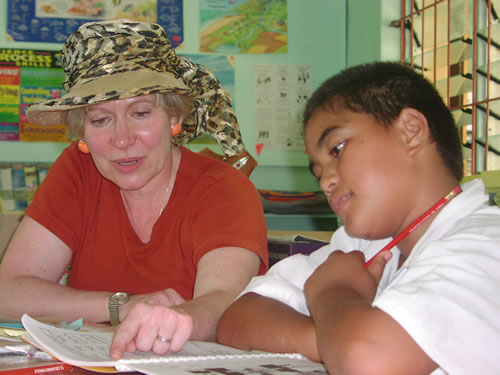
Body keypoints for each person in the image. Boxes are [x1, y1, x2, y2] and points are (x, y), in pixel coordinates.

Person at [0, 19, 268, 358]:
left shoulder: (223, 189)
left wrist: (169, 320)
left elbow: (222, 304)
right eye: (100, 120)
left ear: (174, 118)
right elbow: (7, 292)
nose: (122, 139)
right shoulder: (78, 171)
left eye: (140, 113)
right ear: (82, 132)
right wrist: (120, 306)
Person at [216, 62, 500, 374]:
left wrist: (334, 293)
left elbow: (368, 361)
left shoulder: (487, 243)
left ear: (411, 131)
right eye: (318, 171)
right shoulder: (363, 243)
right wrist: (338, 336)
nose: (325, 182)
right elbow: (237, 321)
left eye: (337, 149)